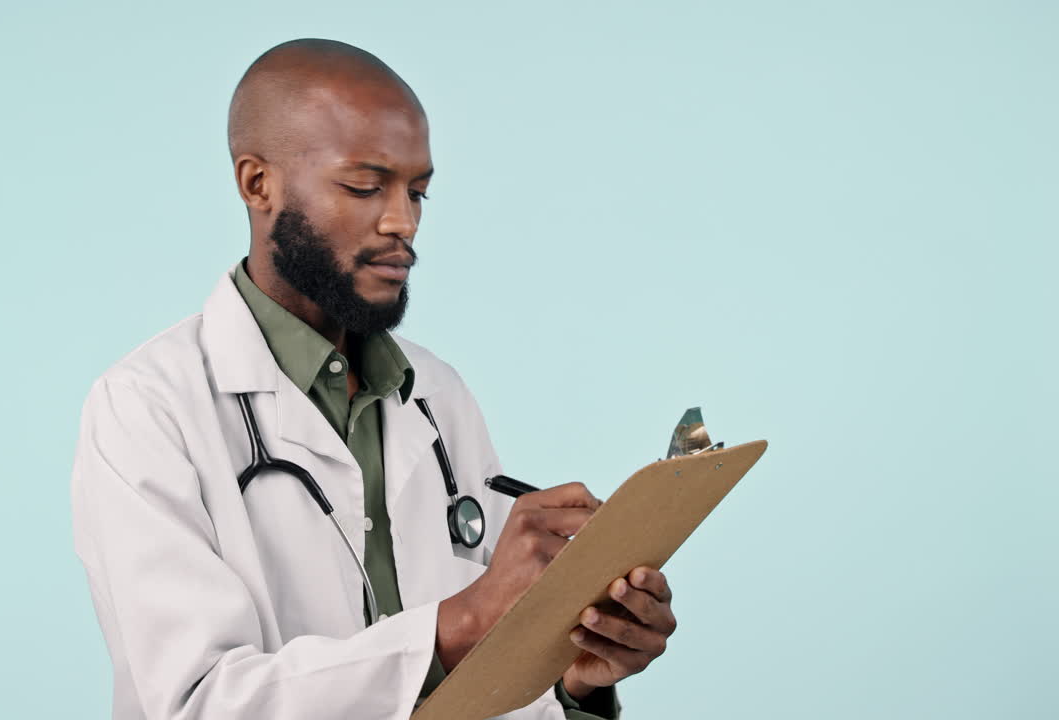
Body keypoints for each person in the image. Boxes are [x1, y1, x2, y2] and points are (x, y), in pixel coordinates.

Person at [69, 38, 677, 720]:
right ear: (256, 183)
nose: (403, 222)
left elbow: (489, 684)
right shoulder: (146, 408)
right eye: (366, 186)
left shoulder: (437, 394)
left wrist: (574, 680)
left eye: (418, 191)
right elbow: (198, 702)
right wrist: (461, 623)